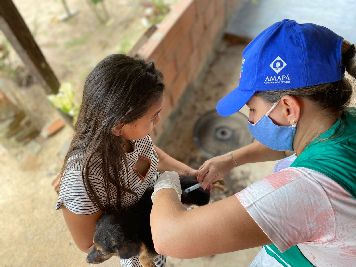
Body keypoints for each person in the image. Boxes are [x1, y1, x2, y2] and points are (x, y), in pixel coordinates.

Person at [150, 19, 356, 266]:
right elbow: (294, 141)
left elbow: (169, 237)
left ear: (289, 108)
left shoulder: (303, 192)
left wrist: (166, 180)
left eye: (252, 109)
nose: (250, 118)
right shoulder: (342, 123)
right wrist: (231, 159)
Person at [55, 54, 197, 267]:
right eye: (153, 117)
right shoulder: (81, 181)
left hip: (157, 222)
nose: (157, 121)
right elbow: (88, 245)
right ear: (119, 125)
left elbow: (153, 154)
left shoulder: (133, 136)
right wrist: (148, 243)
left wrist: (189, 173)